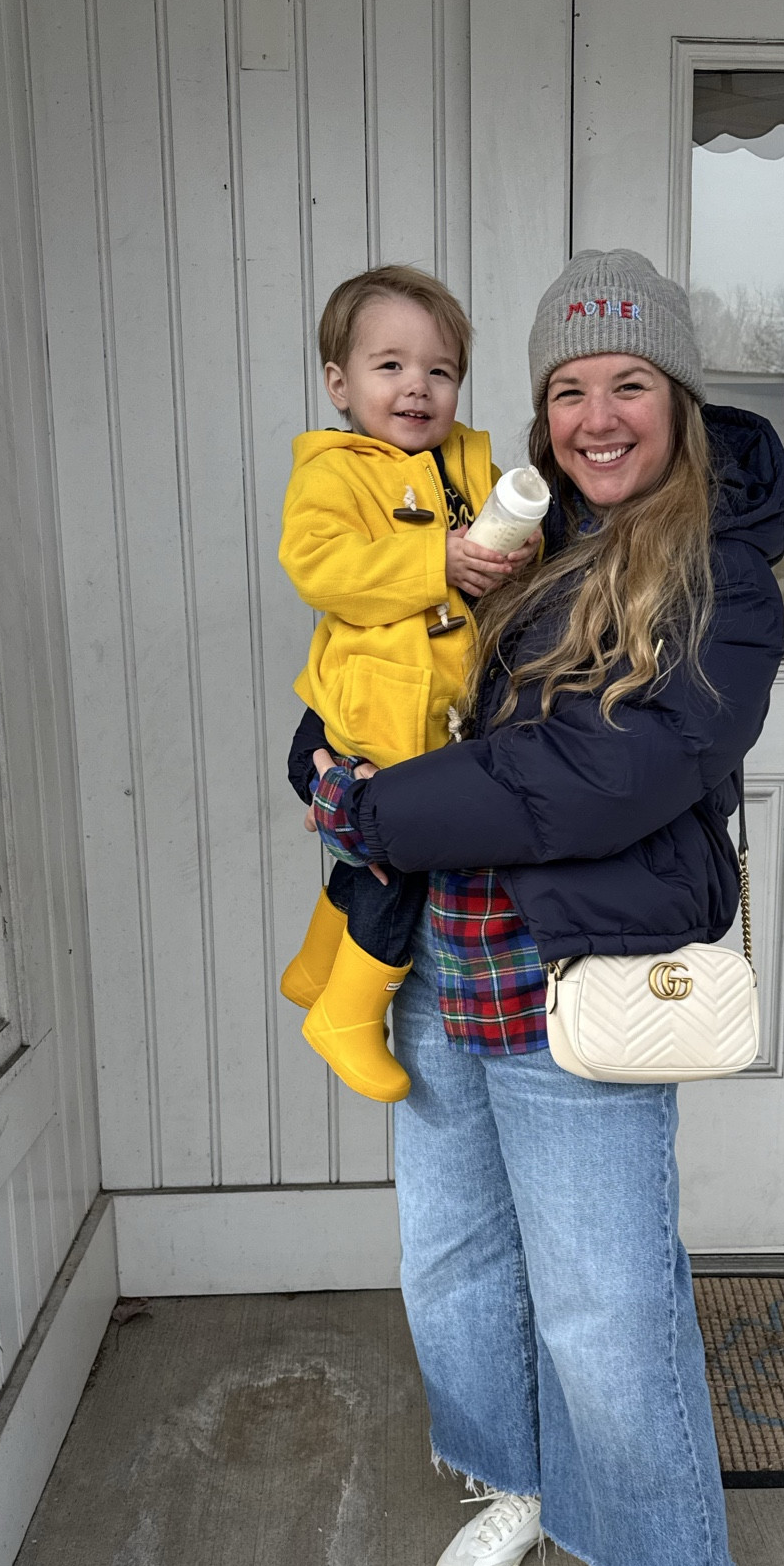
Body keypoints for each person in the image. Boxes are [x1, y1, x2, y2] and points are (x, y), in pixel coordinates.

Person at [306, 250, 784, 1566]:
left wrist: (375, 809)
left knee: (608, 1298)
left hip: (572, 981)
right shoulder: (504, 535)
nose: (596, 416)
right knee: (454, 1263)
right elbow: (379, 670)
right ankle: (512, 1480)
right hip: (436, 962)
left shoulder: (724, 580)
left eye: (628, 383)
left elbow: (597, 777)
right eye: (569, 388)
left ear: (679, 398)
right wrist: (321, 757)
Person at [276, 265, 535, 1102]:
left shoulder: (471, 464)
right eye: (390, 365)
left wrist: (519, 549)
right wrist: (436, 561)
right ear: (339, 384)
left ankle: (317, 965)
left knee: (372, 850)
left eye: (440, 370)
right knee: (401, 855)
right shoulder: (334, 474)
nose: (417, 386)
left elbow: (499, 552)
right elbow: (320, 567)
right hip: (371, 710)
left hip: (435, 708)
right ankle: (348, 1012)